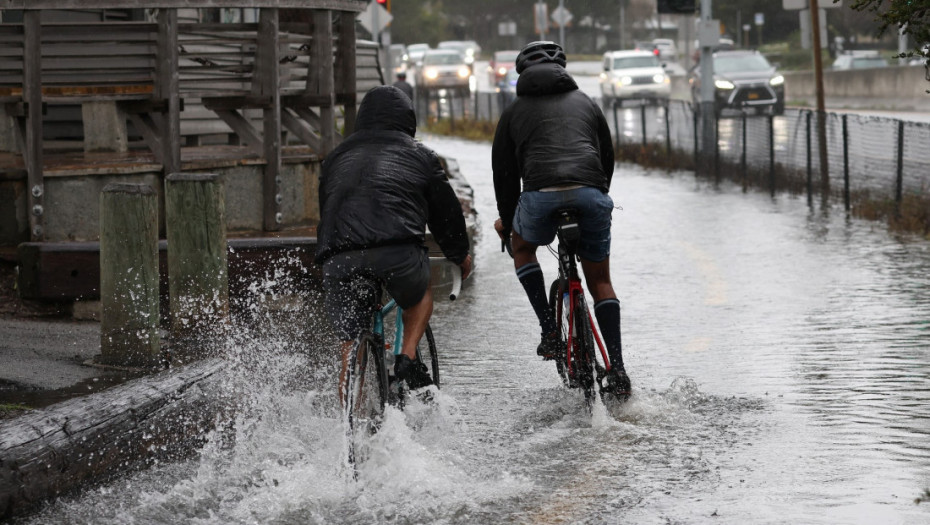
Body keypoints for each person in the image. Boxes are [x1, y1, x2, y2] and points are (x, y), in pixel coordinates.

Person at [491, 41, 631, 395]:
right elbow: (607, 156)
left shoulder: (513, 112)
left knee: (522, 248)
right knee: (599, 280)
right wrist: (597, 193)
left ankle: (549, 331)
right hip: (591, 193)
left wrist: (507, 224)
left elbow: (504, 176)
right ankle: (617, 368)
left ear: (523, 73)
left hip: (539, 196)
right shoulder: (587, 102)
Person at [316, 85, 473, 398]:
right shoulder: (421, 156)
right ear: (408, 120)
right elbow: (446, 215)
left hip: (339, 256)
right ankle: (408, 356)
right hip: (397, 253)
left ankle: (350, 421)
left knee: (350, 340)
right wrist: (460, 255)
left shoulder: (335, 158)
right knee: (419, 294)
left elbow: (328, 211)